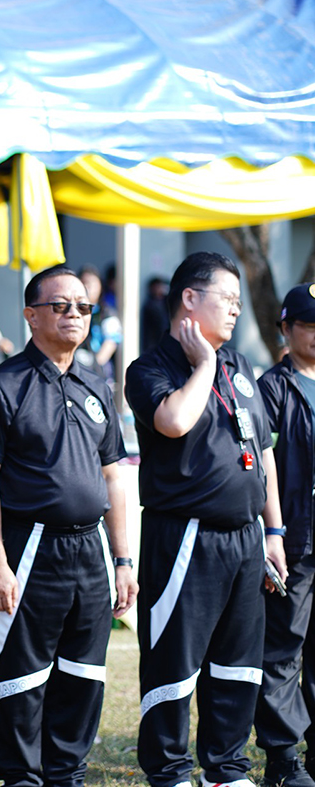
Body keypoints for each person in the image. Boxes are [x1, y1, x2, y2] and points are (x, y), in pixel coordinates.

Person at [0, 265, 138, 787]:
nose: (74, 315)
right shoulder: (2, 386)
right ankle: (23, 778)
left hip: (91, 551)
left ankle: (68, 776)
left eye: (83, 307)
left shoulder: (97, 384)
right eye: (60, 306)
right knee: (22, 678)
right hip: (31, 548)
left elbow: (114, 476)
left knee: (84, 675)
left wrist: (123, 560)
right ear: (31, 315)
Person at [125, 251, 287, 787]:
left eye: (240, 301)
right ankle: (170, 770)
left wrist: (274, 530)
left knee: (239, 660)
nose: (237, 310)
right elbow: (173, 421)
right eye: (228, 299)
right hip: (185, 535)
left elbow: (262, 450)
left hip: (246, 537)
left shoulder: (240, 365)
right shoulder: (149, 368)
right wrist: (204, 367)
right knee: (173, 659)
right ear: (190, 299)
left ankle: (226, 768)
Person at [254, 284, 315, 787]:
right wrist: (271, 532)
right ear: (286, 329)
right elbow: (259, 466)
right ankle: (282, 756)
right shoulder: (271, 389)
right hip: (294, 539)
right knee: (283, 649)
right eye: (309, 326)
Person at [74, 265, 122, 385]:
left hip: (99, 374)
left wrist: (93, 367)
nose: (88, 288)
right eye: (84, 283)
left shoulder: (107, 313)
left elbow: (110, 343)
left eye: (92, 284)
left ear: (100, 286)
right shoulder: (72, 311)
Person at [142, 277, 172, 355]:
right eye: (157, 287)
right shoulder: (150, 305)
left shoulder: (165, 302)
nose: (159, 289)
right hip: (154, 342)